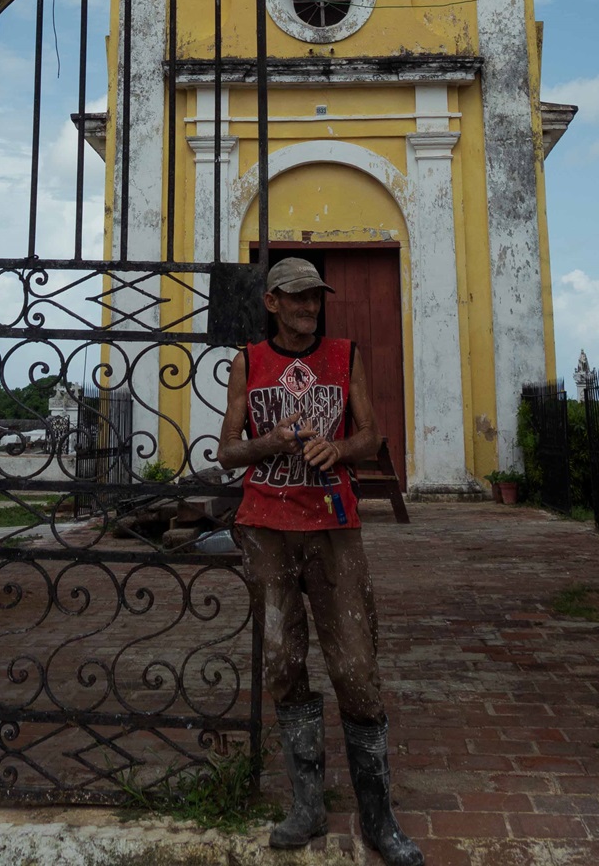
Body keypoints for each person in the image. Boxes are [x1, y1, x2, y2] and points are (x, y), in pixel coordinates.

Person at [217, 256, 423, 866]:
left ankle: (378, 816)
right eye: (299, 298)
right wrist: (269, 442)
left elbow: (373, 435)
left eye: (317, 299)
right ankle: (307, 805)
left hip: (333, 525)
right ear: (273, 302)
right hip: (267, 528)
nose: (310, 308)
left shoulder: (345, 355)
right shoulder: (248, 363)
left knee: (356, 663)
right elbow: (228, 453)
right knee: (283, 659)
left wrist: (339, 447)